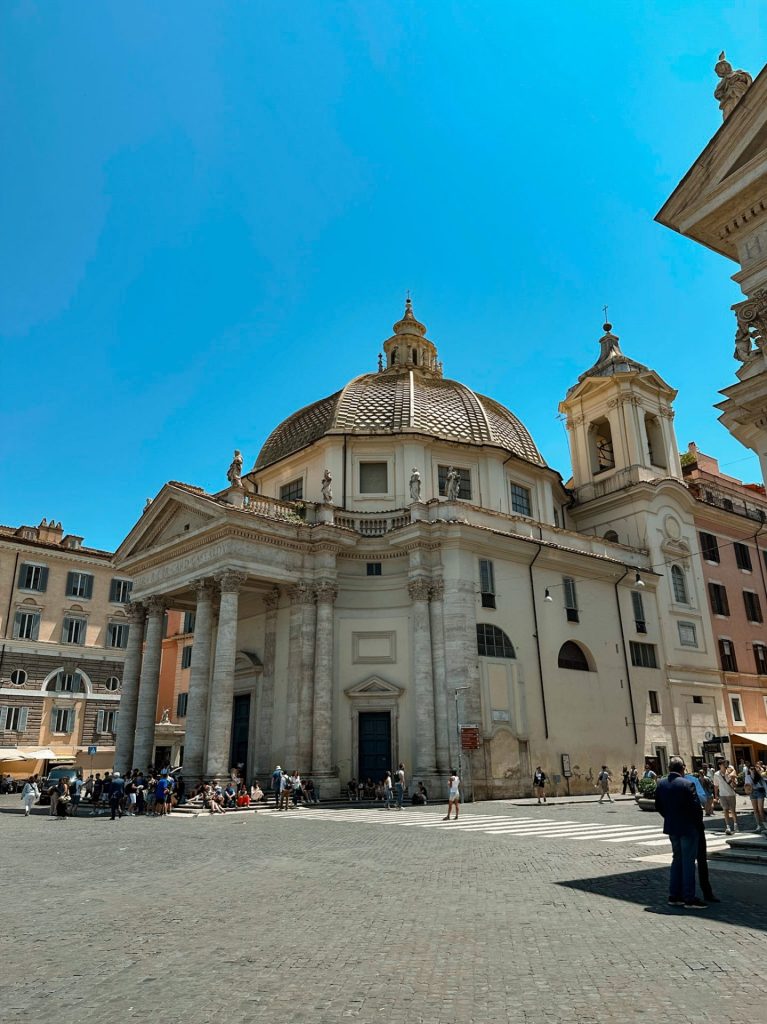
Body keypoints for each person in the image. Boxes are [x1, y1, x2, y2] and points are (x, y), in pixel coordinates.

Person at [655, 755, 707, 909]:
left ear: (669, 768)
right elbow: (696, 809)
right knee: (688, 862)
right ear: (683, 768)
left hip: (672, 827)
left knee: (676, 860)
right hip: (688, 828)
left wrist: (669, 817)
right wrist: (698, 825)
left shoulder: (661, 784)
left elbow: (658, 806)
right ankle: (689, 898)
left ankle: (674, 895)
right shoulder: (687, 784)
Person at [713, 759, 738, 835]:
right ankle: (728, 826)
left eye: (726, 764)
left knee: (733, 810)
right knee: (725, 810)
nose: (725, 765)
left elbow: (735, 784)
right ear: (720, 765)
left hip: (731, 794)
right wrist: (716, 795)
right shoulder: (716, 774)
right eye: (723, 764)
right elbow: (716, 786)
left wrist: (732, 778)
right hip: (722, 795)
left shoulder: (730, 772)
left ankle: (735, 825)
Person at [744, 763, 767, 833]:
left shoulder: (759, 775)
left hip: (760, 791)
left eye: (753, 769)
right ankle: (758, 825)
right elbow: (747, 785)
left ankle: (765, 824)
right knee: (755, 810)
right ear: (749, 770)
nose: (752, 770)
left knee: (760, 809)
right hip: (752, 792)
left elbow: (764, 783)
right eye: (751, 769)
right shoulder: (747, 776)